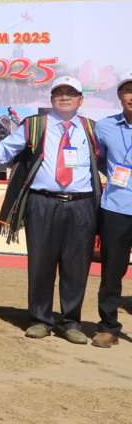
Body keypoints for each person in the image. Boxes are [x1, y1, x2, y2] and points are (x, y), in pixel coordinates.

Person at [0, 76, 99, 344]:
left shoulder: (91, 128)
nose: (64, 97)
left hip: (82, 205)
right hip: (42, 203)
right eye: (59, 93)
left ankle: (71, 322)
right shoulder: (35, 124)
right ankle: (40, 320)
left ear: (80, 99)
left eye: (71, 93)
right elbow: (5, 147)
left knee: (76, 267)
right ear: (52, 98)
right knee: (41, 263)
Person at [91, 71, 132, 348]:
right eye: (128, 90)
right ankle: (108, 327)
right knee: (111, 272)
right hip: (116, 208)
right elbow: (98, 160)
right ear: (120, 95)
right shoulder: (104, 127)